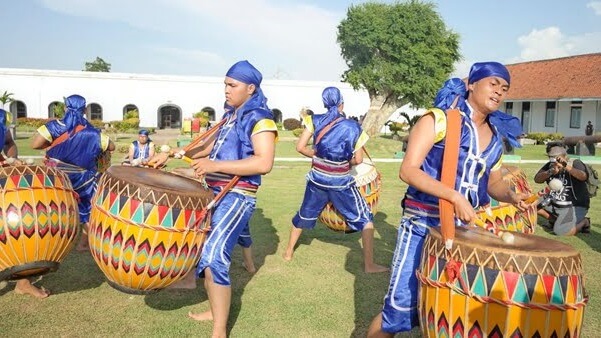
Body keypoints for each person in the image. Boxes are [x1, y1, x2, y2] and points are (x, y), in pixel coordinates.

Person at [367, 62, 529, 336]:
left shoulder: (495, 137)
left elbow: (493, 182)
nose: (499, 92)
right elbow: (408, 170)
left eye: (505, 88)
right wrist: (453, 196)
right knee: (397, 313)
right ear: (472, 84)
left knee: (450, 309)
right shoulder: (437, 119)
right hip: (423, 226)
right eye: (493, 84)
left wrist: (512, 196)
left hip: (467, 234)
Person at [150, 60, 277, 337]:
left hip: (237, 196)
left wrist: (214, 166)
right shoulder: (231, 116)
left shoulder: (261, 119)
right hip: (215, 192)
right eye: (225, 84)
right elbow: (204, 147)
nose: (226, 90)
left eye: (232, 85)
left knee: (215, 257)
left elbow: (263, 162)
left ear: (251, 88)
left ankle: (219, 330)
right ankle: (214, 310)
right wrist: (169, 153)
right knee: (203, 252)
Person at [282, 86, 388, 274]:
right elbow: (358, 160)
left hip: (317, 179)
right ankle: (369, 265)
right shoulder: (354, 127)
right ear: (341, 104)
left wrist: (317, 157)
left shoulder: (313, 120)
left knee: (304, 214)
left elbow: (300, 147)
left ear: (324, 103)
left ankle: (288, 253)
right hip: (340, 182)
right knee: (366, 219)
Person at [31, 94, 115, 251]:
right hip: (84, 178)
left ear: (64, 107)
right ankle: (84, 244)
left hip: (56, 176)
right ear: (84, 110)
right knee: (88, 209)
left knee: (51, 207)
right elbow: (111, 147)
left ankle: (49, 243)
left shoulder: (53, 126)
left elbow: (35, 144)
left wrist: (53, 146)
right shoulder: (93, 132)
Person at [0, 109, 49, 298]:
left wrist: (11, 159)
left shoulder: (2, 117)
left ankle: (23, 283)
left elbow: (9, 142)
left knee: (21, 230)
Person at [533, 143, 590, 235]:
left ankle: (584, 222)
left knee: (561, 232)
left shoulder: (575, 163)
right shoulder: (550, 165)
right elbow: (537, 179)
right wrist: (550, 172)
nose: (553, 159)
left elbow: (583, 176)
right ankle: (553, 220)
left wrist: (566, 166)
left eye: (556, 157)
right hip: (554, 201)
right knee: (530, 203)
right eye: (551, 157)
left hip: (574, 206)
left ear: (564, 156)